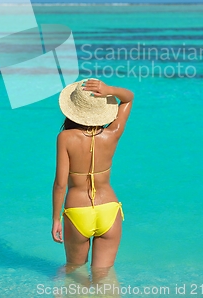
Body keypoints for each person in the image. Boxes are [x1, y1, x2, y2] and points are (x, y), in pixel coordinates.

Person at [52, 78, 134, 268]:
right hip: (108, 209)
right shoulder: (112, 133)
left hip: (77, 211)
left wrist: (56, 218)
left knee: (74, 271)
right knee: (103, 276)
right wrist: (109, 89)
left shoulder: (65, 138)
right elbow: (129, 99)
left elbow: (60, 184)